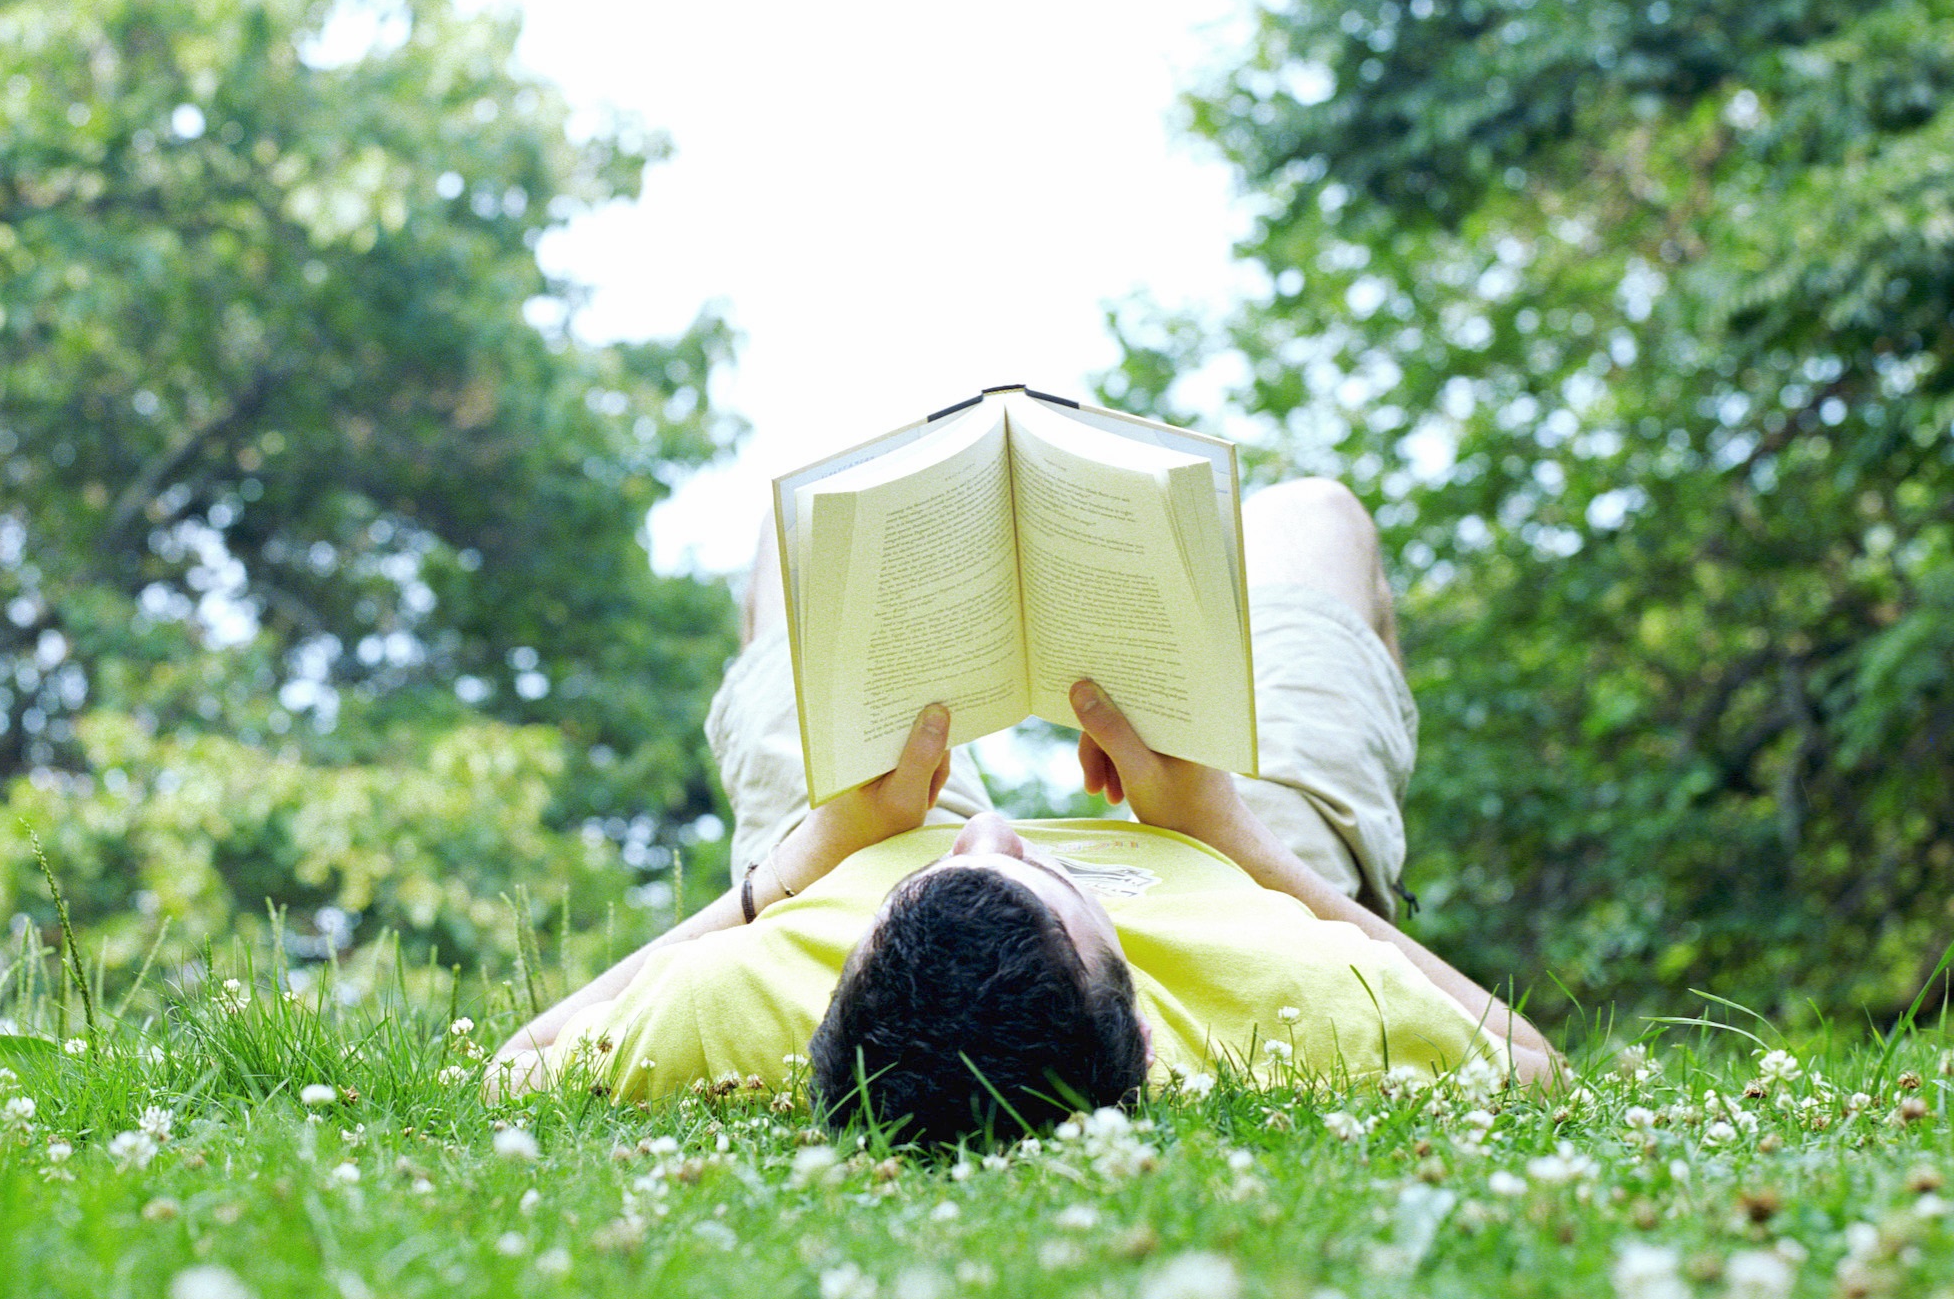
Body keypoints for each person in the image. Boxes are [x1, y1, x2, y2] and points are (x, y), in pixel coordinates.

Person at [488, 476, 1558, 1133]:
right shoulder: (1291, 1014)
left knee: (801, 527)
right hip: (1248, 857)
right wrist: (1228, 836)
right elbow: (1534, 1065)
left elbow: (513, 1073)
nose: (989, 825)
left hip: (852, 831)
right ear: (1143, 1026)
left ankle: (894, 855)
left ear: (836, 996)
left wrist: (805, 865)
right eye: (1044, 869)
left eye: (948, 867)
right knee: (1313, 516)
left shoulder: (749, 1007)